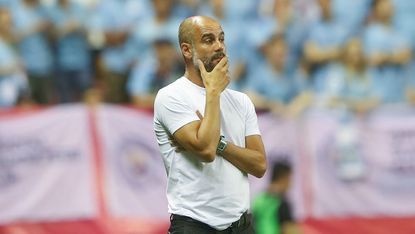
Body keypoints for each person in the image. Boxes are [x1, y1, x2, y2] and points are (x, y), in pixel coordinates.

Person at [153, 16, 267, 233]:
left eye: (221, 39)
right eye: (208, 40)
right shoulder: (170, 96)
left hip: (241, 226)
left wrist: (220, 144)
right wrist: (213, 91)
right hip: (194, 225)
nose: (219, 46)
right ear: (187, 50)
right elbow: (206, 151)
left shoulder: (241, 101)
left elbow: (259, 164)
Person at [252, 161, 301, 234]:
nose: (290, 184)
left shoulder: (258, 199)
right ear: (283, 178)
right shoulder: (281, 202)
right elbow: (289, 230)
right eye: (289, 179)